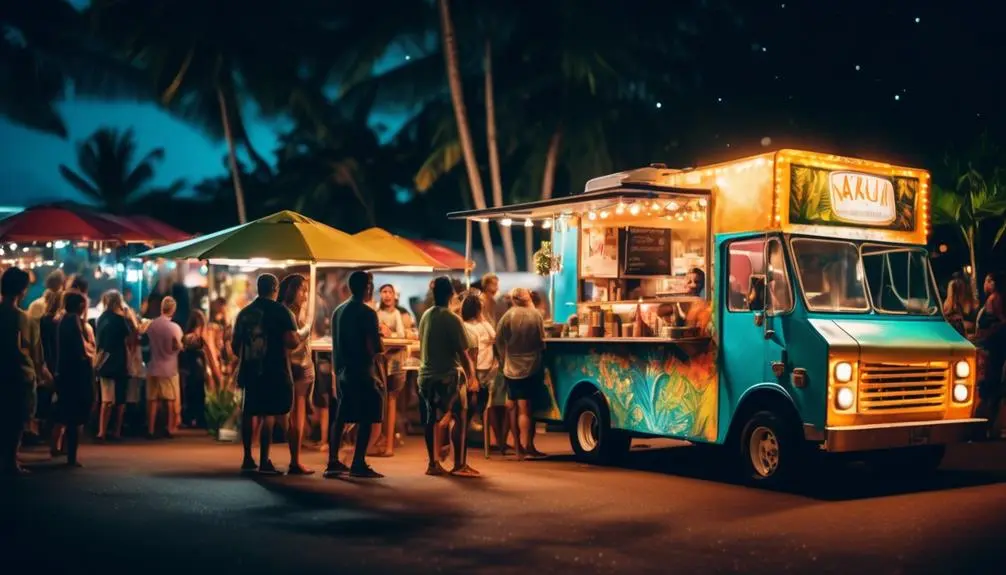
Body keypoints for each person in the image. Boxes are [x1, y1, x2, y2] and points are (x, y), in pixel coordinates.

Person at [231, 274, 298, 475]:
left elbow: (235, 346)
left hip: (250, 369)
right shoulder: (282, 312)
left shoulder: (244, 313)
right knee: (270, 414)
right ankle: (265, 460)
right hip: (275, 369)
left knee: (249, 411)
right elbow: (292, 341)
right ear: (275, 288)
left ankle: (247, 457)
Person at [325, 271, 385, 479]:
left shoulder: (338, 311)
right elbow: (374, 347)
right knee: (367, 416)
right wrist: (380, 339)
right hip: (362, 370)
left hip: (342, 371)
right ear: (366, 286)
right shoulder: (367, 313)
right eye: (371, 284)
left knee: (341, 416)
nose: (372, 288)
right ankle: (358, 462)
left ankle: (333, 461)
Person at [418, 276, 479, 477]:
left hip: (426, 376)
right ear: (451, 294)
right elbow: (463, 352)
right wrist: (471, 376)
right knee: (460, 416)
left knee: (430, 418)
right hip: (448, 377)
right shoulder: (452, 319)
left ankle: (432, 463)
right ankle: (459, 464)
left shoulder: (426, 315)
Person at [1, 267, 45, 475]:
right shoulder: (26, 320)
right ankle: (10, 461)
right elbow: (37, 356)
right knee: (16, 421)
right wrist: (47, 377)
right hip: (20, 376)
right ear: (23, 291)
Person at [495, 287, 546, 460]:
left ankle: (517, 448)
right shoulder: (536, 315)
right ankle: (528, 446)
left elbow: (499, 340)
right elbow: (542, 340)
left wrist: (503, 359)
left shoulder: (508, 316)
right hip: (531, 365)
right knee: (526, 409)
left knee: (512, 407)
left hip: (511, 367)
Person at [461, 291, 509, 454]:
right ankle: (496, 438)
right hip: (486, 370)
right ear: (477, 310)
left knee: (481, 403)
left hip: (476, 370)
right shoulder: (482, 325)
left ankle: (476, 420)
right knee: (491, 404)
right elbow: (495, 338)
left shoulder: (464, 325)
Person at [278, 273, 316, 475]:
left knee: (295, 414)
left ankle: (295, 458)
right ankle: (295, 460)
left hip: (299, 366)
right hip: (295, 366)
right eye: (303, 290)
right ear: (293, 290)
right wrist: (306, 330)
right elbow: (293, 340)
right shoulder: (288, 313)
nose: (305, 295)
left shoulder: (292, 311)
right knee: (295, 415)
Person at [52, 291, 94, 468]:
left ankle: (65, 451)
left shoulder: (62, 320)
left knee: (67, 415)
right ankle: (71, 456)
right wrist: (89, 355)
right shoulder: (73, 321)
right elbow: (80, 350)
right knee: (75, 416)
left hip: (65, 373)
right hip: (75, 375)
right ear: (80, 306)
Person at [95, 290, 133, 441]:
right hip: (119, 360)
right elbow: (129, 339)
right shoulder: (120, 319)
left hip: (104, 360)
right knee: (120, 399)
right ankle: (116, 431)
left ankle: (101, 431)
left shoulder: (101, 318)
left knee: (106, 399)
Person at [374, 284, 406, 457]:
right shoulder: (377, 313)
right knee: (381, 400)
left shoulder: (396, 314)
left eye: (389, 292)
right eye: (384, 292)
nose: (387, 295)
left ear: (395, 295)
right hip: (380, 361)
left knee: (391, 399)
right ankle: (381, 439)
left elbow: (401, 335)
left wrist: (389, 333)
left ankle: (389, 445)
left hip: (394, 361)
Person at [146, 296, 183, 439]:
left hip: (153, 366)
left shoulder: (152, 325)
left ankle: (150, 429)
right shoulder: (174, 328)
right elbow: (178, 346)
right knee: (170, 400)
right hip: (169, 368)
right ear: (173, 309)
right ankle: (170, 428)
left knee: (153, 400)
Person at [974, 271, 1006, 438]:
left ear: (993, 283)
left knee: (989, 384)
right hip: (992, 346)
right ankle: (987, 426)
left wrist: (987, 332)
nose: (985, 284)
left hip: (993, 347)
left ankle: (987, 426)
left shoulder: (995, 299)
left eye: (987, 281)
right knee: (989, 385)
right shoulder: (993, 299)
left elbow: (1001, 321)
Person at [180, 310, 223, 429]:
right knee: (199, 396)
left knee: (190, 396)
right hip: (198, 372)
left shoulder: (185, 337)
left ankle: (190, 419)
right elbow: (207, 355)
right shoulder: (199, 339)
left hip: (189, 372)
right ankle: (199, 420)